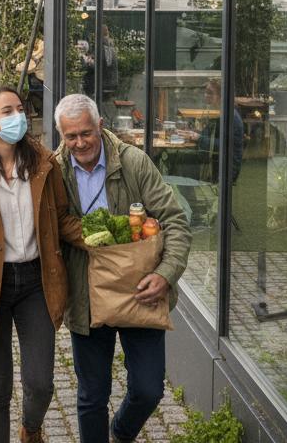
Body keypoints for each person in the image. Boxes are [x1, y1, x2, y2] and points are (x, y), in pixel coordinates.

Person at [0, 85, 83, 443]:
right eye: (7, 111)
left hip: (37, 281)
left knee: (40, 382)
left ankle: (31, 427)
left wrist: (101, 240)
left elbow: (62, 218)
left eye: (20, 109)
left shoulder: (42, 162)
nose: (18, 116)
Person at [53, 94, 192, 443]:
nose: (80, 143)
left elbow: (174, 221)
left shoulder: (134, 163)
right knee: (91, 396)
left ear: (100, 126)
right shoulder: (54, 170)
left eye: (86, 132)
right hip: (86, 294)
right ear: (61, 135)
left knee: (148, 390)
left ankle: (122, 431)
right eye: (71, 136)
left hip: (140, 289)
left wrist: (165, 274)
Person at [177, 77, 244, 182]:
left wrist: (198, 137)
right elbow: (209, 135)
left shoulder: (230, 116)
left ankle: (188, 195)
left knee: (178, 162)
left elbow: (223, 145)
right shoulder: (219, 112)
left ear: (221, 96)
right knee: (177, 157)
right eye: (205, 92)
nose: (205, 95)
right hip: (213, 159)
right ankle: (188, 195)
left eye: (210, 93)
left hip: (222, 167)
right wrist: (192, 133)